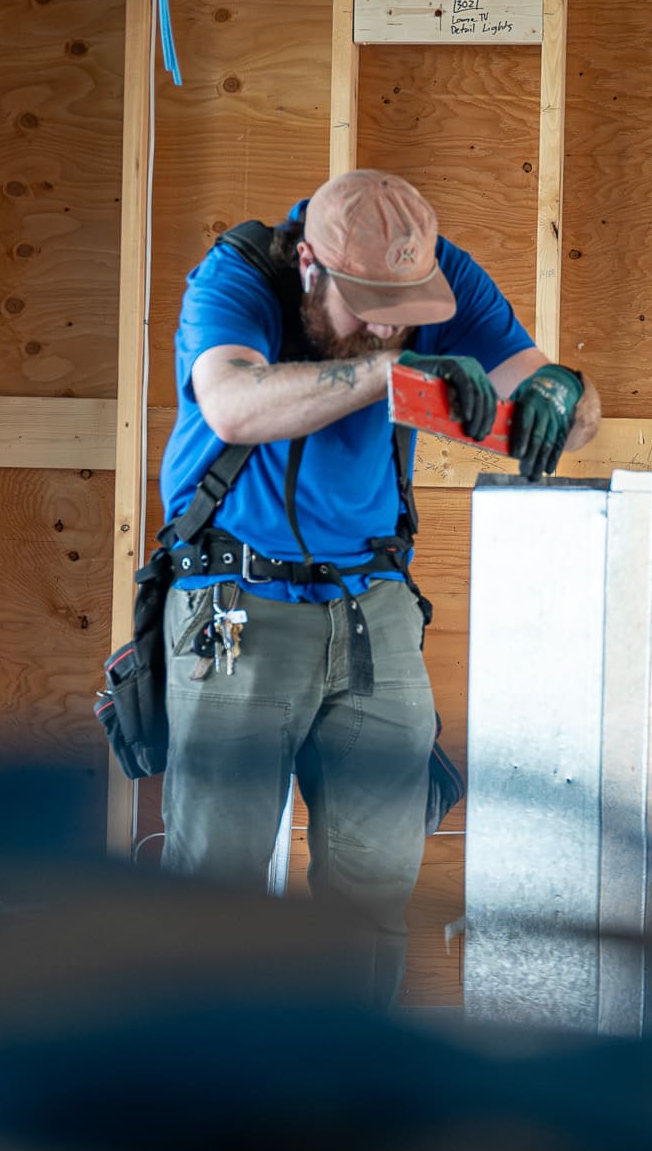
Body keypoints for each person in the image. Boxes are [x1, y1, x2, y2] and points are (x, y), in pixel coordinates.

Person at [156, 169, 601, 1004]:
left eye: (406, 307)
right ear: (311, 267)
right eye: (368, 307)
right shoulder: (241, 274)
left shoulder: (438, 277)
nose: (391, 322)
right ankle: (201, 1111)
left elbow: (566, 413)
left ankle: (348, 1109)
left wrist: (564, 392)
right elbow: (233, 406)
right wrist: (393, 373)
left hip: (375, 614)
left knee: (374, 894)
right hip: (236, 607)